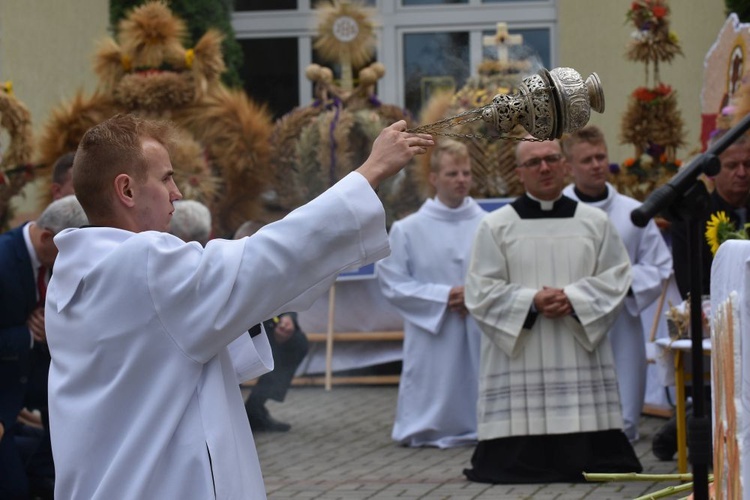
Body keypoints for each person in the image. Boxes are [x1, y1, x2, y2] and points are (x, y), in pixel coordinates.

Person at [44, 113, 433, 499]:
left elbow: (165, 354)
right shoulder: (143, 262)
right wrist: (370, 172)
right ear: (126, 190)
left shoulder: (71, 274)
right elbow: (266, 259)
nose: (177, 192)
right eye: (166, 178)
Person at [463, 137, 642, 484]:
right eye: (533, 162)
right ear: (519, 172)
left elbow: (617, 277)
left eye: (551, 159)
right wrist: (532, 301)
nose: (544, 168)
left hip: (576, 349)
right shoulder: (496, 225)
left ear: (564, 165)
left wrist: (574, 298)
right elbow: (480, 291)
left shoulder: (595, 222)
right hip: (524, 352)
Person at [561, 125, 673, 443]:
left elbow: (659, 264)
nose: (597, 165)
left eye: (601, 157)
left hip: (622, 318)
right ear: (569, 167)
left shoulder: (633, 212)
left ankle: (624, 434)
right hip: (573, 319)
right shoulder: (558, 211)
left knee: (622, 409)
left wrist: (617, 285)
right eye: (587, 160)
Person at [375, 139, 484, 448]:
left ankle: (480, 425)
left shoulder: (489, 224)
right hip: (433, 327)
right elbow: (392, 281)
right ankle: (426, 426)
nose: (461, 180)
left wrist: (475, 293)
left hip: (478, 323)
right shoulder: (408, 229)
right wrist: (445, 296)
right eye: (452, 174)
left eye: (466, 173)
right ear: (434, 178)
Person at [0, 195, 87, 499]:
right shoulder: (4, 260)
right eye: (72, 251)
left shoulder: (51, 261)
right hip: (5, 393)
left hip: (36, 381)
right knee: (14, 489)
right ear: (48, 237)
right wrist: (26, 335)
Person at [234, 220, 310, 433]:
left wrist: (287, 319)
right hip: (229, 335)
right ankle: (229, 412)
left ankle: (256, 407)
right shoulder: (223, 263)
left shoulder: (271, 266)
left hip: (260, 329)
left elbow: (285, 297)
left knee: (296, 342)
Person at [671, 130, 750, 298]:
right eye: (732, 166)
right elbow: (691, 290)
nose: (742, 173)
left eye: (748, 164)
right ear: (713, 171)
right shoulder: (692, 220)